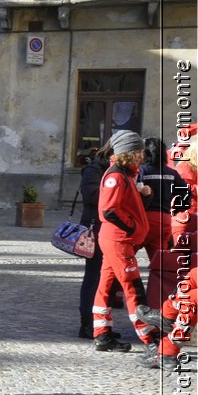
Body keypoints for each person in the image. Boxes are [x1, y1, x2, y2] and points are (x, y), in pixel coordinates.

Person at [92, 129, 158, 352]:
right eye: (138, 151)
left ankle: (102, 334)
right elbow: (109, 211)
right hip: (118, 241)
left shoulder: (127, 175)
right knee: (133, 287)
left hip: (119, 240)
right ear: (128, 152)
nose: (142, 154)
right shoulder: (116, 176)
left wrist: (144, 196)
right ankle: (150, 339)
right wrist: (132, 227)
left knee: (106, 286)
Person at [77, 144, 113, 339]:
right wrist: (116, 193)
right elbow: (91, 195)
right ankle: (87, 324)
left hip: (112, 230)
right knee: (93, 277)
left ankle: (102, 324)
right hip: (95, 228)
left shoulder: (121, 171)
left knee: (107, 280)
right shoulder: (94, 169)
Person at [137, 135, 180, 260]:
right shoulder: (171, 172)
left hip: (144, 217)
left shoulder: (142, 170)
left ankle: (131, 280)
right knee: (159, 262)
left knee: (126, 255)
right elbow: (184, 192)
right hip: (164, 218)